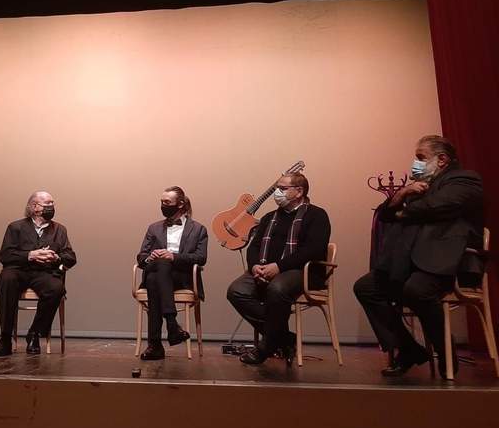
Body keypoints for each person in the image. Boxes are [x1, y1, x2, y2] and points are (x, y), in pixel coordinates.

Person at [354, 135, 483, 378]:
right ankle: (409, 348)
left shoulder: (464, 180)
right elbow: (384, 215)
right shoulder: (418, 185)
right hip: (407, 262)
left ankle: (444, 350)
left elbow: (440, 205)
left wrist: (403, 212)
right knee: (366, 287)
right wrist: (403, 193)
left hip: (445, 261)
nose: (416, 163)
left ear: (442, 159)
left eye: (421, 157)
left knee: (416, 290)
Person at [227, 173, 331, 365]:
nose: (277, 192)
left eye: (282, 189)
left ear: (299, 191)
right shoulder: (269, 217)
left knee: (277, 289)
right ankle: (283, 338)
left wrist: (279, 267)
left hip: (303, 272)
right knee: (236, 291)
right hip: (266, 270)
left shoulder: (317, 215)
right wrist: (255, 266)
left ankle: (266, 348)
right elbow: (254, 247)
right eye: (277, 188)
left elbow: (313, 250)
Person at [0, 191, 77, 356]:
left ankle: (35, 333)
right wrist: (30, 255)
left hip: (44, 272)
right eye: (48, 204)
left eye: (53, 204)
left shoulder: (59, 230)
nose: (51, 207)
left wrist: (56, 257)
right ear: (34, 207)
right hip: (19, 270)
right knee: (6, 279)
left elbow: (70, 257)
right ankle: (5, 339)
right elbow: (5, 255)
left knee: (56, 288)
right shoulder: (15, 227)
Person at [136, 186, 208, 360]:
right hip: (157, 267)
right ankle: (172, 324)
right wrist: (150, 256)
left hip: (181, 277)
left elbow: (201, 258)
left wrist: (173, 256)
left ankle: (155, 346)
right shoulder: (153, 228)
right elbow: (141, 257)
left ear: (181, 204)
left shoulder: (198, 229)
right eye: (161, 202)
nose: (163, 205)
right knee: (160, 265)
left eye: (167, 202)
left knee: (154, 280)